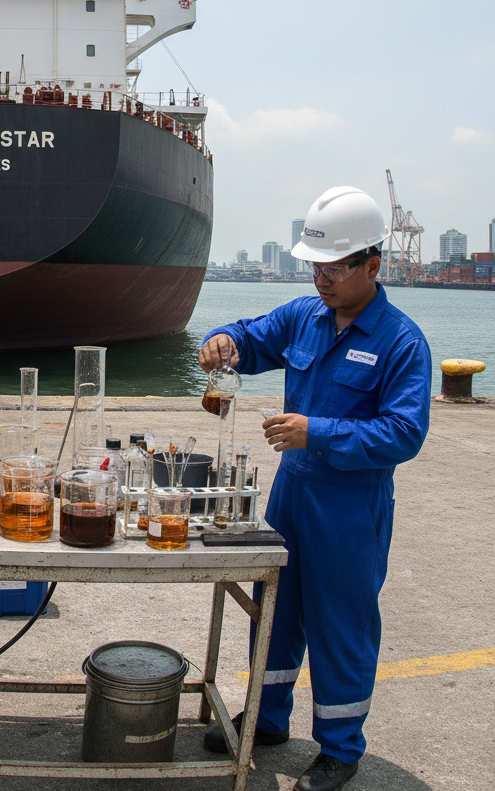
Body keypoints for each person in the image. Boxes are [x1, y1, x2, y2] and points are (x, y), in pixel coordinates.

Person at [199, 187, 431, 791]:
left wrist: (316, 431)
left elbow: (404, 433)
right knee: (274, 612)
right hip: (291, 495)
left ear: (372, 266)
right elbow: (252, 337)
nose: (322, 278)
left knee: (340, 624)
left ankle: (340, 748)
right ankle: (269, 718)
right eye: (315, 267)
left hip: (350, 506)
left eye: (334, 268)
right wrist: (223, 341)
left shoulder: (402, 343)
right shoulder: (305, 316)